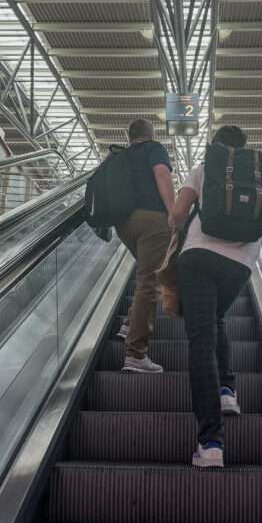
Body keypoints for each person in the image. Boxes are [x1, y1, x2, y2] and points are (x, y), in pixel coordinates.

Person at [168, 125, 262, 468]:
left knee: (201, 340)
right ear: (245, 148)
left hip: (199, 259)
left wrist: (182, 224)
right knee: (218, 319)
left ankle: (211, 443)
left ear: (216, 147)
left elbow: (176, 215)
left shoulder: (202, 170)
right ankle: (227, 393)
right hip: (240, 265)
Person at [115, 119, 174, 373]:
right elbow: (162, 173)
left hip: (124, 223)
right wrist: (173, 213)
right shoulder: (154, 148)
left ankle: (129, 323)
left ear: (130, 137)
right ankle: (135, 355)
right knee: (151, 283)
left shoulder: (122, 156)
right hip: (152, 219)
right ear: (150, 134)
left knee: (146, 274)